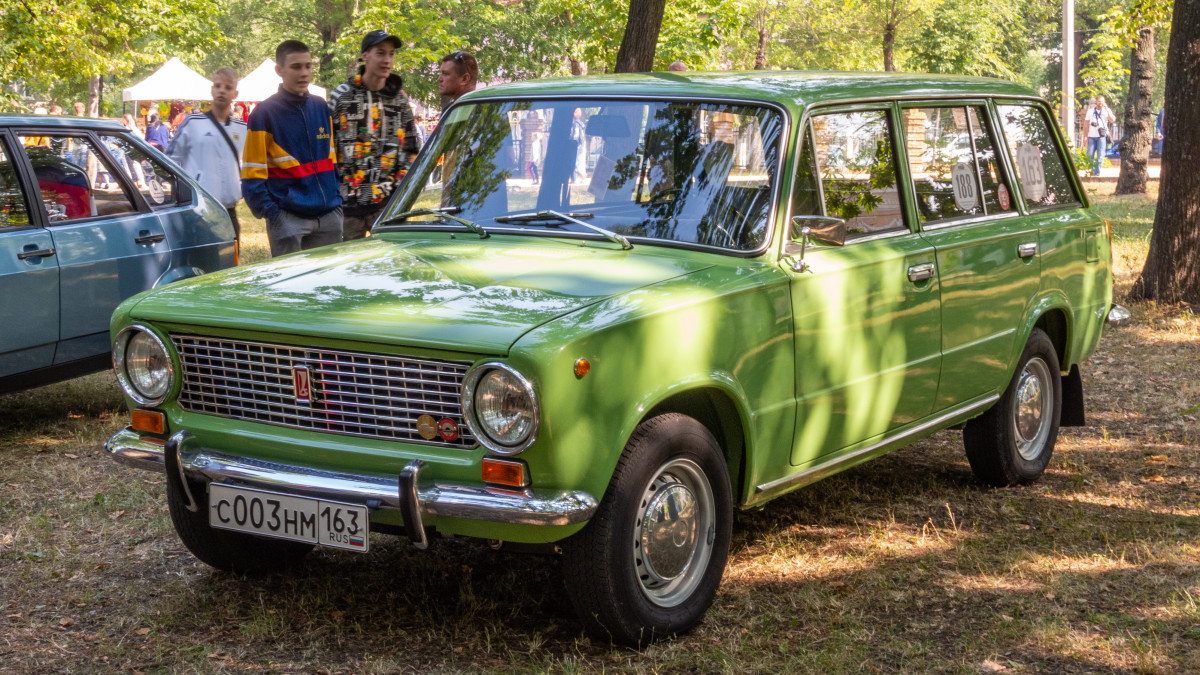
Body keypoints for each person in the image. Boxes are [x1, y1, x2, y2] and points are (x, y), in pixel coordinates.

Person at [241, 40, 343, 256]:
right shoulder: (264, 114)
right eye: (296, 67)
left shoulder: (321, 106)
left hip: (329, 217)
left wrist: (337, 198)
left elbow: (332, 158)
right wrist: (273, 214)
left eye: (308, 66)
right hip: (288, 219)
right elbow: (252, 173)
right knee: (292, 289)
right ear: (279, 70)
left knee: (328, 287)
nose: (304, 73)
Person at [329, 30, 421, 241]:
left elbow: (410, 149)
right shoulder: (342, 97)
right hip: (348, 206)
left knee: (390, 267)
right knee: (350, 269)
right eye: (380, 53)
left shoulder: (399, 101)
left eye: (391, 54)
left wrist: (399, 192)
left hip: (388, 206)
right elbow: (328, 147)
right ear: (365, 55)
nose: (387, 60)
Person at [168, 68, 248, 237]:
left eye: (227, 87)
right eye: (218, 86)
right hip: (198, 211)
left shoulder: (242, 130)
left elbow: (250, 164)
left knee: (231, 262)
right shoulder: (193, 123)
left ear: (235, 93)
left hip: (229, 212)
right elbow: (170, 161)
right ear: (212, 89)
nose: (221, 91)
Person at [1084, 95, 1116, 177]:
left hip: (1102, 136)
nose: (1100, 103)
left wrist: (1107, 109)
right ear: (1096, 102)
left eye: (1102, 101)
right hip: (1091, 136)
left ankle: (1097, 173)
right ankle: (1092, 170)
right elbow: (1086, 124)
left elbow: (1112, 119)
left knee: (1100, 155)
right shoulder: (1090, 111)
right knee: (1089, 154)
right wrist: (1085, 136)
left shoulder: (1106, 110)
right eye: (1099, 101)